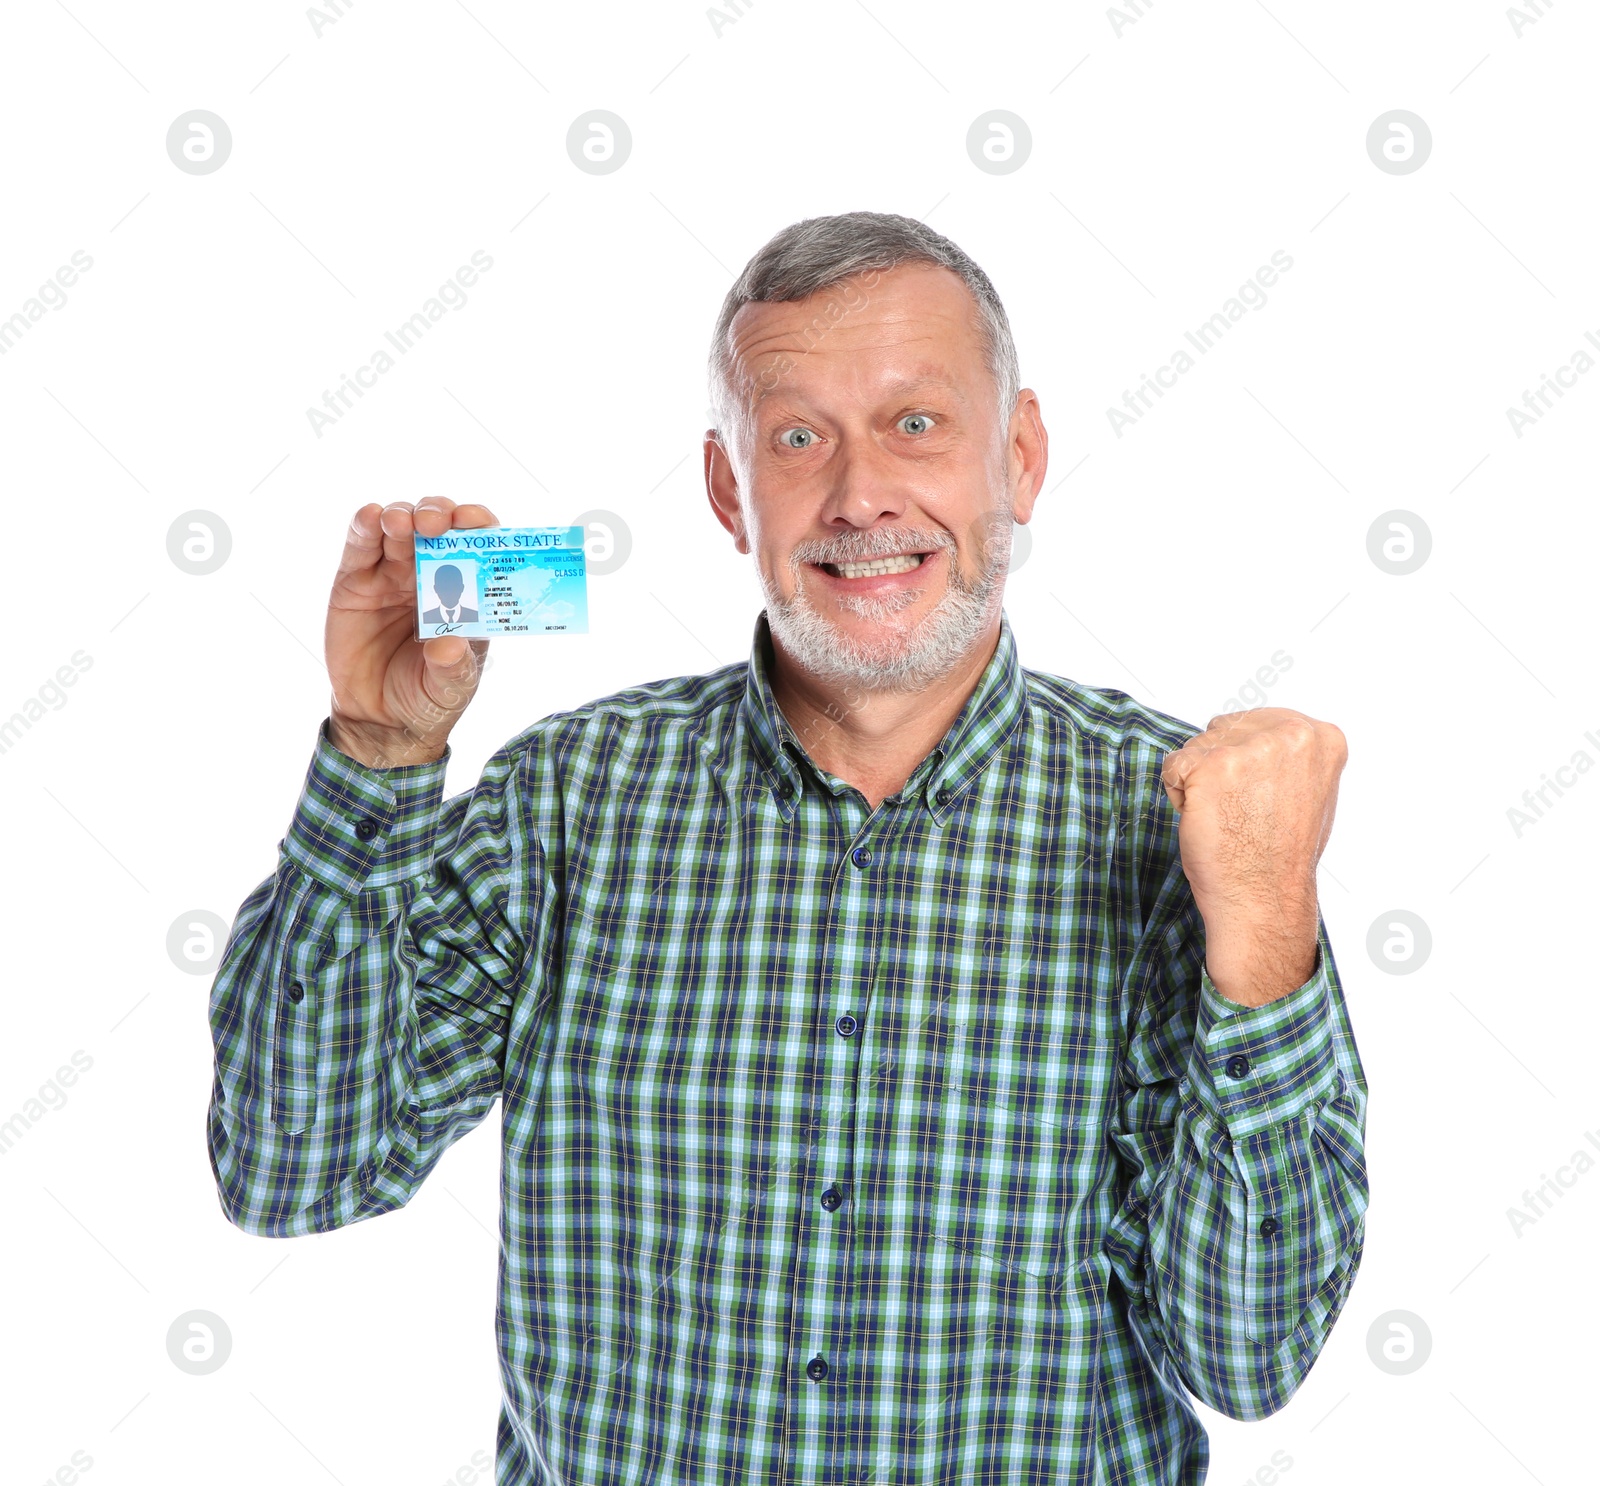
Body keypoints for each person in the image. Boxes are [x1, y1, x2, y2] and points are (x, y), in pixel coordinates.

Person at [205, 211, 1367, 1484]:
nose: (860, 494)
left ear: (1018, 458)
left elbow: (1250, 1353)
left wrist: (1259, 930)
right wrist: (378, 759)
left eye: (916, 424)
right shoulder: (566, 803)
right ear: (727, 491)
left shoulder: (1185, 826)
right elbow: (290, 1171)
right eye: (798, 438)